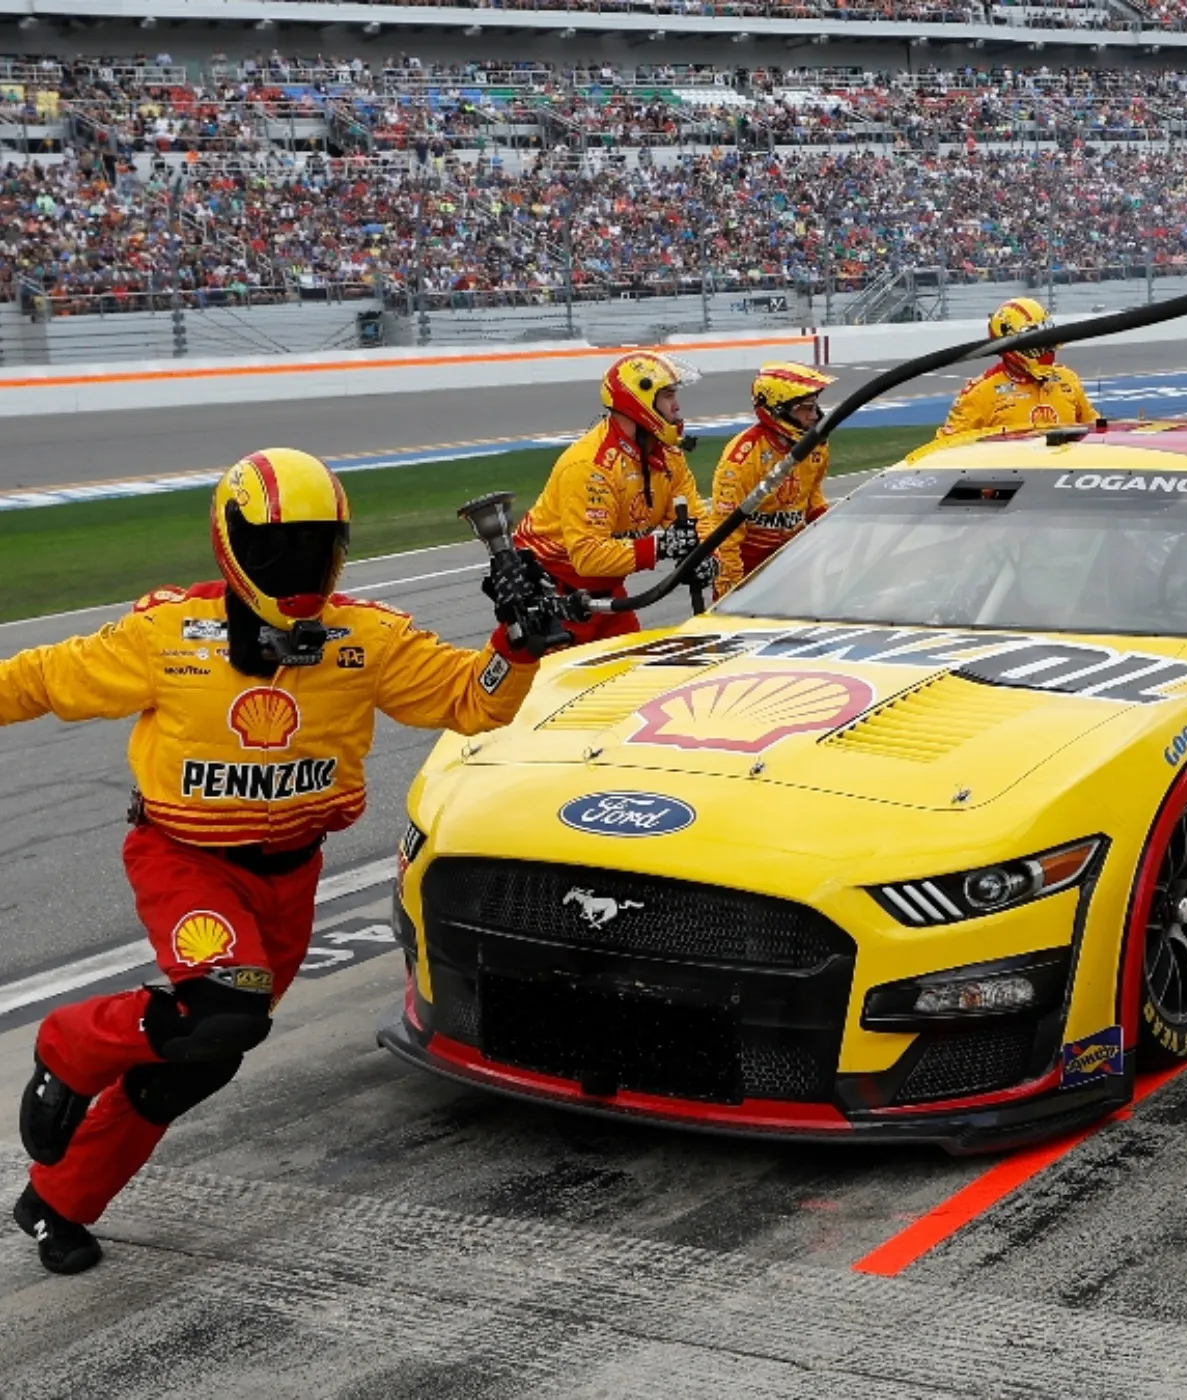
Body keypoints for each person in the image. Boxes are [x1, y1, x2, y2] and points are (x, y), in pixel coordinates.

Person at [4, 448, 552, 1276]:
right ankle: (67, 1044)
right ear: (231, 545)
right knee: (223, 1008)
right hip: (184, 860)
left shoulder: (366, 637)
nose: (298, 566)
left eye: (316, 546)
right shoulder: (165, 635)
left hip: (293, 877)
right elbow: (40, 678)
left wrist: (519, 642)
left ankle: (55, 1201)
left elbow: (473, 701)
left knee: (202, 1059)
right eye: (278, 547)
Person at [514, 350, 710, 642]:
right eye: (668, 396)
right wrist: (661, 547)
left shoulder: (668, 456)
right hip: (550, 597)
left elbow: (695, 520)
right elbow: (589, 557)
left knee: (634, 675)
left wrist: (708, 557)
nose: (677, 406)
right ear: (641, 402)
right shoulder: (590, 466)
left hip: (604, 591)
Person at [706, 362, 836, 600]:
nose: (815, 415)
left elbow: (812, 493)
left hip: (793, 561)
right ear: (778, 410)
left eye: (815, 406)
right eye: (806, 408)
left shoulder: (816, 447)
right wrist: (731, 589)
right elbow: (725, 533)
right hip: (748, 567)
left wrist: (827, 528)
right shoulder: (742, 458)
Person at [937, 297, 1098, 438]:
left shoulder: (1067, 378)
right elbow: (945, 449)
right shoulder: (980, 392)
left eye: (1047, 336)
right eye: (1035, 339)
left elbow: (1096, 430)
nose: (1046, 347)